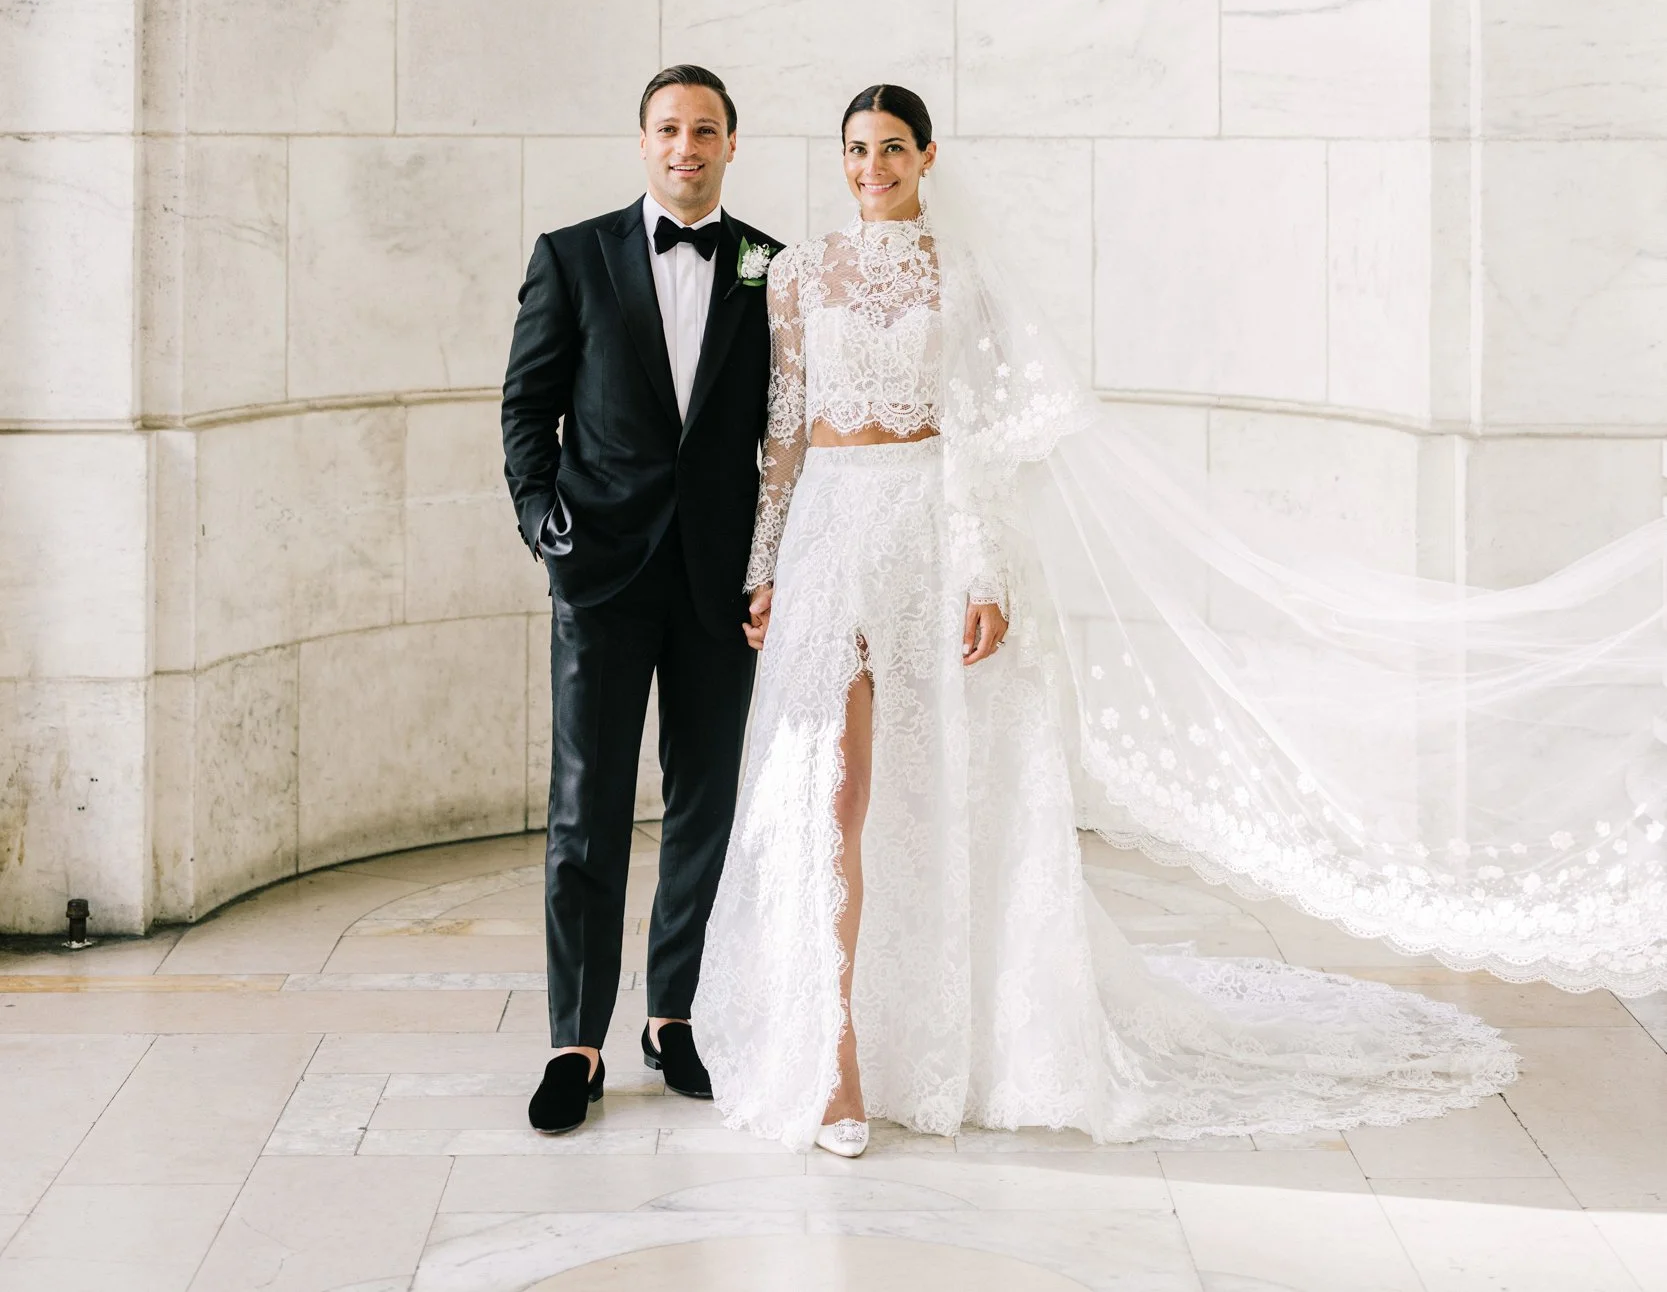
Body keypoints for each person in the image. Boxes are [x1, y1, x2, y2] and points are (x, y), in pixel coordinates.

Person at [691, 84, 1521, 1155]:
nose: (870, 169)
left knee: (924, 792)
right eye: (855, 150)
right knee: (829, 793)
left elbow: (983, 437)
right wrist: (764, 567)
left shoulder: (961, 276)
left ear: (926, 156)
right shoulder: (797, 274)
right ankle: (834, 1051)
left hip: (928, 536)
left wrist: (983, 572)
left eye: (891, 149)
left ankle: (923, 1029)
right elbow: (782, 427)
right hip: (825, 540)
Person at [502, 65, 782, 1136]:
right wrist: (543, 523)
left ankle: (676, 1017)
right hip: (602, 573)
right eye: (667, 128)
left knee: (705, 805)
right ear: (640, 140)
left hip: (719, 583)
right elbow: (526, 406)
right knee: (586, 809)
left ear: (729, 142)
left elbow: (784, 430)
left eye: (704, 130)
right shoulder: (570, 255)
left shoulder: (769, 267)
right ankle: (574, 1038)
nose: (685, 146)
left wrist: (775, 562)